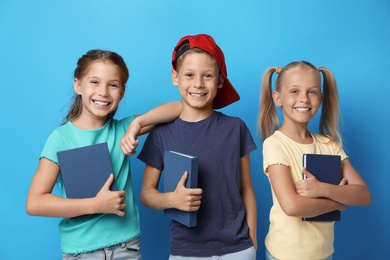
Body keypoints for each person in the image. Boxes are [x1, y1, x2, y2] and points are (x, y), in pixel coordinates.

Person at [26, 49, 182, 260]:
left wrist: (137, 123)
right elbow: (35, 203)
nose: (104, 92)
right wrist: (96, 205)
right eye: (95, 82)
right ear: (78, 85)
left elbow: (180, 108)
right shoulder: (60, 139)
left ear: (122, 92)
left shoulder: (123, 129)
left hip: (126, 246)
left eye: (113, 85)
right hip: (81, 251)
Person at [134, 34, 257, 259]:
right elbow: (146, 193)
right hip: (186, 250)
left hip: (238, 248)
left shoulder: (235, 128)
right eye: (189, 75)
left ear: (220, 81)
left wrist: (253, 240)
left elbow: (246, 188)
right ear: (175, 77)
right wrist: (171, 200)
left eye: (207, 76)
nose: (198, 84)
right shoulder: (162, 132)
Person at [258, 61, 372, 260]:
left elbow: (364, 195)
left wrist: (323, 190)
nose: (304, 99)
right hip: (284, 255)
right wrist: (338, 202)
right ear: (278, 98)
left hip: (324, 254)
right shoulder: (275, 144)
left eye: (312, 92)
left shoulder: (329, 144)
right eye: (294, 91)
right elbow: (292, 206)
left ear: (320, 98)